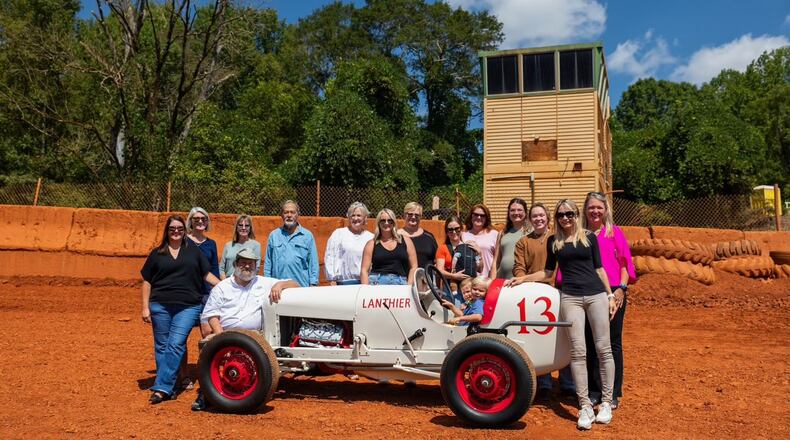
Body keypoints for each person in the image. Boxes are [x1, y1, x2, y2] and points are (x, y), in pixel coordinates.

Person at [529, 199, 617, 430]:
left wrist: (610, 296)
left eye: (569, 214)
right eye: (561, 215)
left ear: (577, 215)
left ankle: (607, 402)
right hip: (570, 298)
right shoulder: (554, 241)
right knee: (578, 351)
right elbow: (548, 272)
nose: (565, 218)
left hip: (596, 295)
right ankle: (585, 405)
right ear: (556, 218)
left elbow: (599, 268)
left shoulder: (589, 237)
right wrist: (521, 279)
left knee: (603, 348)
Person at [192, 248, 299, 411]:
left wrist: (280, 284)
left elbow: (295, 284)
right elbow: (212, 315)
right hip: (227, 334)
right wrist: (222, 340)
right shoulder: (222, 287)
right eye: (243, 262)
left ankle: (255, 389)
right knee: (211, 356)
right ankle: (207, 394)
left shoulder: (263, 282)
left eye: (251, 263)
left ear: (256, 266)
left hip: (255, 335)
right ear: (235, 264)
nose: (247, 266)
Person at [140, 215, 220, 405]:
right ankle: (170, 384)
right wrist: (145, 307)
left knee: (175, 343)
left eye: (180, 229)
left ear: (184, 231)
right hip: (160, 305)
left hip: (188, 306)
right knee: (162, 346)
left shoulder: (192, 251)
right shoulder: (157, 253)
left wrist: (224, 287)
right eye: (172, 229)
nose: (176, 232)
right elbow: (147, 281)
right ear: (166, 231)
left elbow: (206, 274)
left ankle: (162, 388)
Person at [506, 203, 574, 400]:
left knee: (564, 335)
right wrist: (525, 283)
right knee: (539, 336)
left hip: (560, 292)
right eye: (534, 216)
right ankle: (543, 382)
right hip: (536, 296)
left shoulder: (558, 239)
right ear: (530, 219)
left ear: (547, 218)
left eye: (541, 216)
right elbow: (519, 268)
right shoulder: (523, 242)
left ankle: (568, 382)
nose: (538, 219)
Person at [582, 192, 636, 410]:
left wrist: (621, 289)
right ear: (585, 211)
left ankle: (613, 392)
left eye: (599, 208)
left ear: (605, 210)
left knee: (612, 343)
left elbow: (625, 264)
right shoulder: (581, 235)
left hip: (613, 292)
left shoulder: (614, 233)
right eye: (591, 208)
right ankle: (595, 391)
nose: (595, 211)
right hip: (587, 292)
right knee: (590, 342)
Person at [264, 200, 319, 287]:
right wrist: (267, 284)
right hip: (277, 289)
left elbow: (313, 263)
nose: (289, 215)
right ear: (282, 215)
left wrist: (313, 284)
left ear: (298, 214)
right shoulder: (274, 235)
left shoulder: (307, 236)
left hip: (301, 287)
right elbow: (268, 263)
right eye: (286, 212)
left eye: (292, 212)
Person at [186, 207, 220, 340]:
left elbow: (214, 268)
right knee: (183, 333)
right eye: (196, 219)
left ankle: (205, 360)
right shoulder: (184, 241)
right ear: (191, 222)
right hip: (187, 293)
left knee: (208, 332)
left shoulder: (211, 244)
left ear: (207, 222)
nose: (200, 221)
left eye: (203, 219)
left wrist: (216, 291)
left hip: (206, 294)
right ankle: (181, 362)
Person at [360, 208, 417, 285]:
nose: (386, 223)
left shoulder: (406, 241)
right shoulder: (371, 244)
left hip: (400, 282)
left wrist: (409, 287)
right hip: (377, 282)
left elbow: (414, 267)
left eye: (390, 220)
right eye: (383, 221)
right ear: (378, 223)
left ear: (394, 223)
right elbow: (364, 270)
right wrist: (365, 290)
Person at [324, 202, 374, 285]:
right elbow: (330, 256)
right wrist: (332, 278)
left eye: (359, 215)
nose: (355, 218)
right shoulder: (339, 234)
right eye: (353, 215)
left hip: (364, 283)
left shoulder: (370, 237)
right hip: (343, 282)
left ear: (365, 218)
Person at [435, 215, 482, 297]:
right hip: (452, 288)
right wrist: (454, 276)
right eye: (450, 230)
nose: (454, 232)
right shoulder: (443, 248)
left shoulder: (469, 246)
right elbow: (439, 270)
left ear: (461, 229)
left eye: (457, 229)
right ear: (446, 232)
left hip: (469, 288)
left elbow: (479, 269)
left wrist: (479, 254)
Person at [493, 198, 530, 279]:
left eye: (519, 210)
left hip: (524, 280)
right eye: (512, 210)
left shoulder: (532, 232)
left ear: (526, 212)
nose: (516, 213)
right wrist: (492, 281)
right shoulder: (502, 233)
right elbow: (496, 261)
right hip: (502, 279)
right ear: (508, 213)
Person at [462, 204, 499, 278]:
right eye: (476, 214)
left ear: (486, 218)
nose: (479, 217)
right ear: (471, 216)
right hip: (468, 280)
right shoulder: (463, 234)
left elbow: (497, 259)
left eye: (482, 215)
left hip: (487, 279)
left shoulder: (494, 234)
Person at [219, 214, 261, 279]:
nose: (243, 228)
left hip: (246, 283)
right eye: (240, 225)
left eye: (247, 225)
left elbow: (256, 268)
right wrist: (225, 283)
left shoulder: (256, 245)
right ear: (236, 227)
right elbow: (221, 268)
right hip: (228, 281)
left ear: (250, 228)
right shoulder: (228, 245)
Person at [398, 202, 438, 269]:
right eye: (410, 214)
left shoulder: (429, 237)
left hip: (425, 278)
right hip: (403, 278)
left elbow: (437, 261)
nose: (413, 217)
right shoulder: (396, 236)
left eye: (417, 215)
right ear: (404, 215)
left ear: (421, 217)